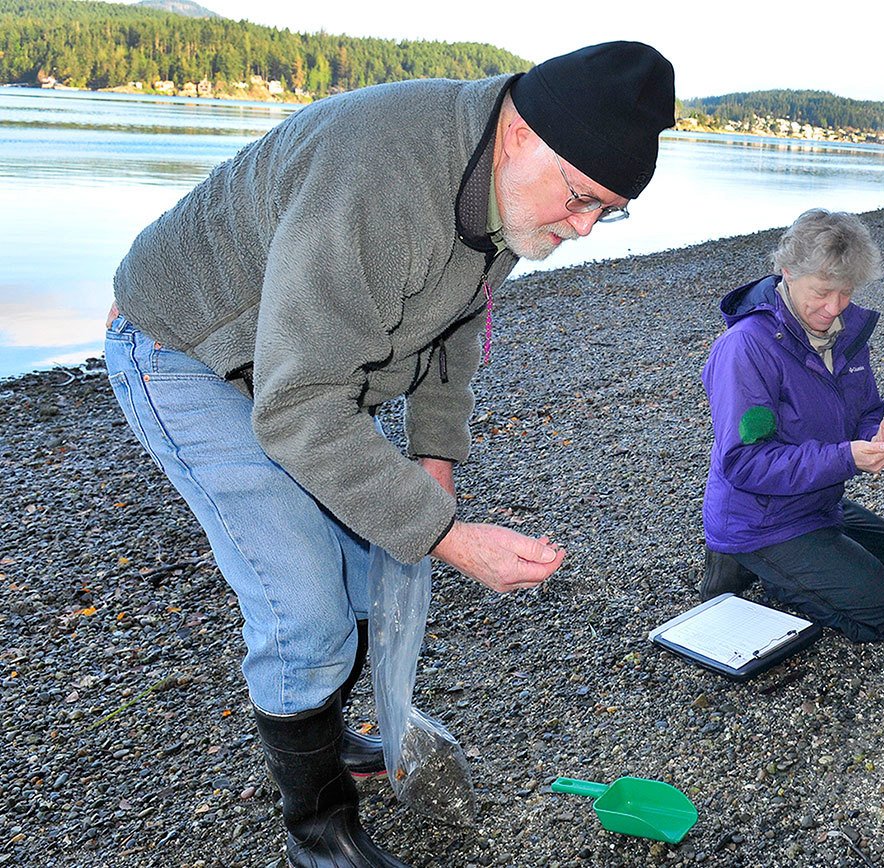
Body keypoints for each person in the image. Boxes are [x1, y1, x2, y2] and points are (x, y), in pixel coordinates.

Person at [103, 42, 675, 866]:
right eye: (582, 198)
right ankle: (319, 831)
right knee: (306, 608)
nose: (584, 227)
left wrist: (434, 462)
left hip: (300, 362)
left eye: (607, 211)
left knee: (372, 566)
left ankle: (326, 738)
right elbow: (298, 408)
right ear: (519, 133)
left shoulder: (512, 194)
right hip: (190, 348)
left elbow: (457, 323)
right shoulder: (379, 177)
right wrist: (447, 536)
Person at [699, 209, 884, 644]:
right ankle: (751, 565)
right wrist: (846, 457)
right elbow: (744, 462)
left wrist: (878, 433)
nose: (834, 308)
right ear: (787, 272)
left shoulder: (846, 333)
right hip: (761, 517)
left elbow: (865, 409)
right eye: (822, 292)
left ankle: (790, 565)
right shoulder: (746, 349)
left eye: (846, 292)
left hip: (817, 503)